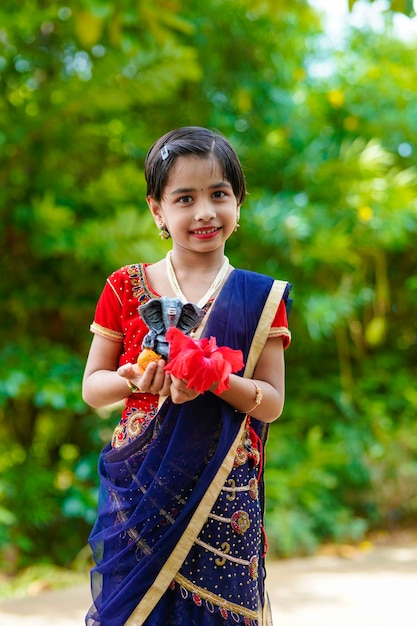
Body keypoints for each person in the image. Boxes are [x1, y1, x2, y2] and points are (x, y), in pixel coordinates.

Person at [82, 126, 292, 626]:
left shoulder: (260, 298)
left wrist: (215, 378)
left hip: (223, 492)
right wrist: (135, 379)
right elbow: (93, 387)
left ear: (238, 202)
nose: (204, 212)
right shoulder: (125, 286)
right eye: (184, 198)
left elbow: (272, 401)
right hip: (142, 481)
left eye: (219, 194)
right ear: (158, 210)